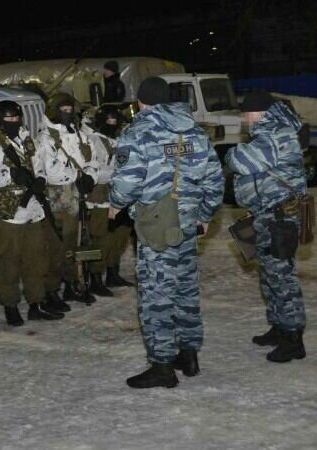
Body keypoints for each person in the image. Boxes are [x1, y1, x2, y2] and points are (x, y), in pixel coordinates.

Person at [109, 77, 223, 389]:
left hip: (156, 224)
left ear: (140, 101)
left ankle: (161, 365)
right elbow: (214, 177)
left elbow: (127, 181)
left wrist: (114, 204)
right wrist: (205, 214)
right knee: (185, 288)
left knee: (157, 294)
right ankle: (189, 354)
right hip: (188, 224)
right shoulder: (194, 131)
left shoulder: (139, 132)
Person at [225, 91, 307, 363]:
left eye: (245, 113)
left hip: (279, 218)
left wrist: (231, 153)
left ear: (256, 112)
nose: (243, 119)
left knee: (282, 278)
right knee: (270, 275)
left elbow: (242, 161)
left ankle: (294, 337)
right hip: (267, 215)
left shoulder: (276, 133)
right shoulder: (270, 131)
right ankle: (279, 326)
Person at [0, 100, 64, 325]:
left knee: (35, 261)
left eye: (16, 119)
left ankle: (36, 303)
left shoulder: (27, 140)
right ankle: (10, 305)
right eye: (8, 120)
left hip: (33, 211)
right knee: (8, 262)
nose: (13, 123)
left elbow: (39, 165)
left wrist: (39, 181)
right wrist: (10, 176)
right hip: (9, 213)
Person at [37, 93, 98, 306]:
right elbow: (50, 170)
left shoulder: (80, 134)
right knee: (56, 247)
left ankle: (73, 284)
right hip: (58, 199)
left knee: (75, 244)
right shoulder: (46, 137)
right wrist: (77, 176)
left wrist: (91, 176)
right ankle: (51, 290)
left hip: (78, 196)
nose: (68, 112)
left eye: (70, 108)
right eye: (63, 109)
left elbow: (92, 158)